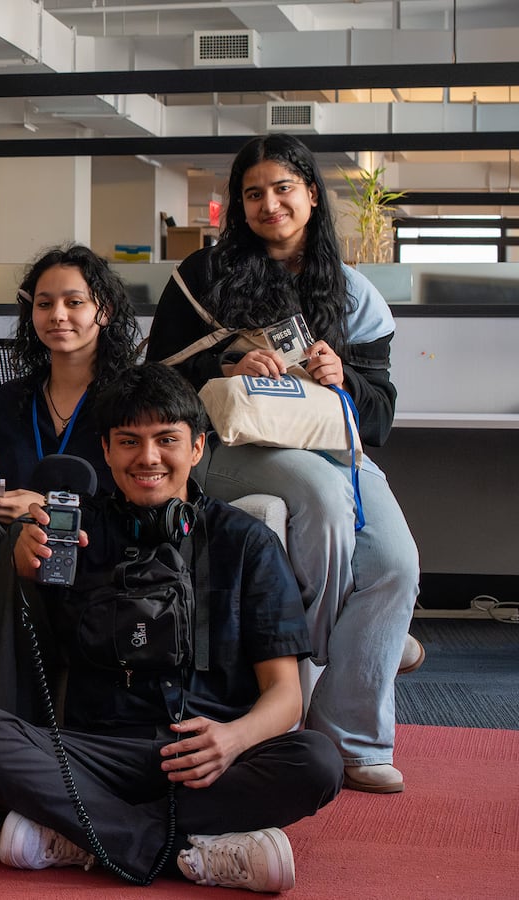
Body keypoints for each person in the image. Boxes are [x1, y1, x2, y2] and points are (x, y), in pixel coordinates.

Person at [0, 363, 343, 894]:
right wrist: (24, 575)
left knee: (317, 761)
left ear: (197, 447)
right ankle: (185, 848)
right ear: (105, 451)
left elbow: (286, 697)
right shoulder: (73, 535)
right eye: (129, 441)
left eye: (166, 440)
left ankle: (89, 834)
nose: (148, 458)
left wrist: (231, 739)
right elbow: (31, 661)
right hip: (98, 753)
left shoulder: (245, 544)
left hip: (209, 755)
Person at [145, 133, 420, 794]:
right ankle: (308, 686)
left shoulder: (353, 296)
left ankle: (349, 734)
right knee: (320, 498)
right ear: (238, 205)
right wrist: (228, 364)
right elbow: (154, 382)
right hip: (231, 447)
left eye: (283, 189)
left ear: (312, 195)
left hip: (330, 446)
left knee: (396, 564)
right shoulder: (203, 279)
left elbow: (378, 419)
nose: (270, 204)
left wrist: (344, 376)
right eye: (254, 193)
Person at [0, 244, 142, 706]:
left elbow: (142, 495)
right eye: (44, 304)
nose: (57, 315)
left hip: (91, 552)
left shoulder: (129, 398)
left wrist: (39, 508)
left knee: (26, 531)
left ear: (103, 311)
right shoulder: (11, 399)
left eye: (74, 302)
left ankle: (10, 725)